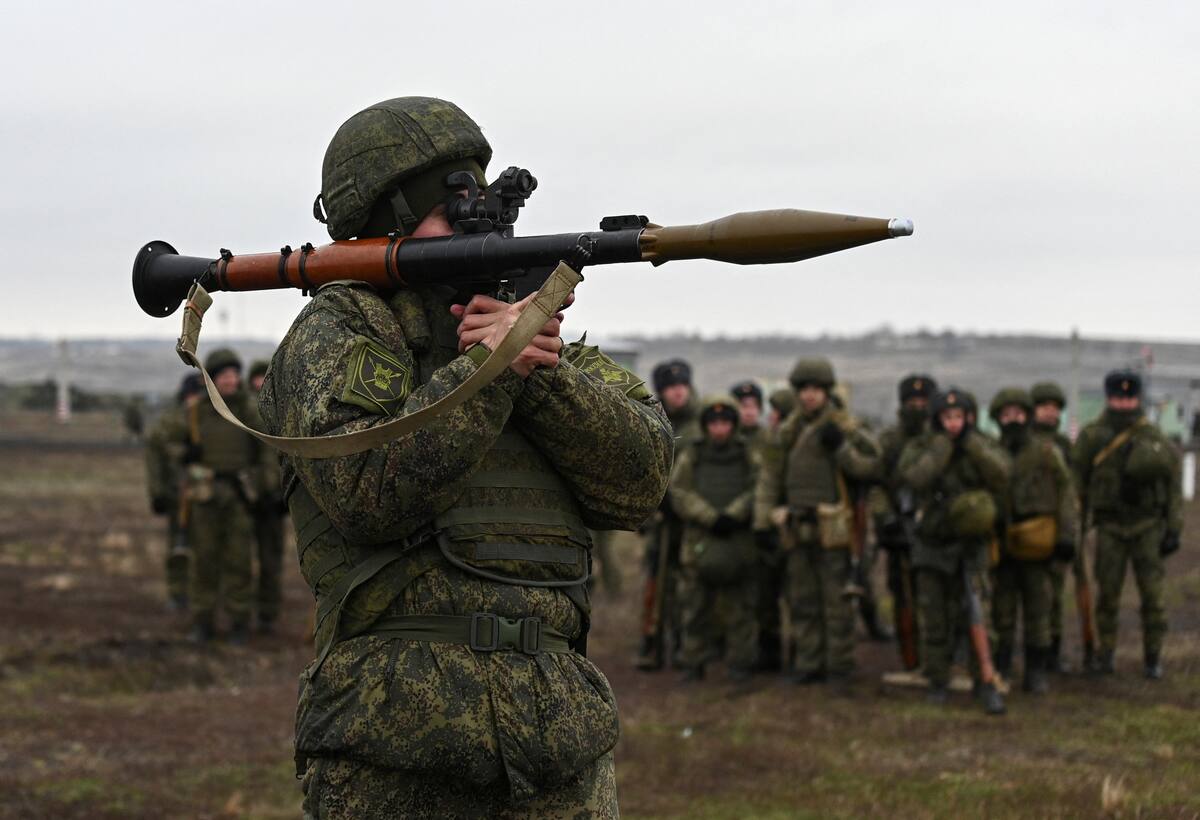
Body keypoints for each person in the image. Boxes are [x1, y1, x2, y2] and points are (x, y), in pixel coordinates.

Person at [257, 96, 673, 817]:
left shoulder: (533, 340)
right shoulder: (341, 329)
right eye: (450, 208)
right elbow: (367, 490)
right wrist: (488, 373)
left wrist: (541, 374)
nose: (479, 222)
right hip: (395, 746)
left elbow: (640, 484)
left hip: (559, 746)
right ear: (386, 218)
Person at [754, 358, 881, 689]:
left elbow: (872, 467)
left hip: (836, 530)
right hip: (796, 527)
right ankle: (809, 663)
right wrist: (763, 522)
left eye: (816, 390)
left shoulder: (845, 427)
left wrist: (840, 448)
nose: (809, 396)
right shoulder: (788, 432)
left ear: (826, 392)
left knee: (837, 603)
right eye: (804, 390)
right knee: (803, 601)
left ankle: (839, 667)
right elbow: (770, 478)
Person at [897, 387, 1009, 714]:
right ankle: (937, 679)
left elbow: (1002, 474)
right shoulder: (921, 446)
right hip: (932, 543)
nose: (953, 423)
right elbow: (915, 477)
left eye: (959, 417)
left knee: (977, 614)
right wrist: (942, 448)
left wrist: (972, 445)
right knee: (934, 615)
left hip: (971, 544)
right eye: (946, 418)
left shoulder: (982, 444)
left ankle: (984, 681)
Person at [1071, 370, 1182, 679]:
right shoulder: (1093, 436)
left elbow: (1172, 485)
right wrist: (1075, 529)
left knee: (1153, 598)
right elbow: (1077, 483)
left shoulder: (1152, 436)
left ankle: (1152, 657)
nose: (1123, 404)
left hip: (1147, 527)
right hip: (1109, 528)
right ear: (1108, 398)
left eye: (1129, 398)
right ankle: (1105, 654)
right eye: (1118, 398)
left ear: (1137, 398)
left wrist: (1174, 528)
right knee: (1107, 596)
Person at [167, 349, 276, 644]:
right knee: (204, 561)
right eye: (224, 375)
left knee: (239, 561)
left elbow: (267, 448)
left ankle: (239, 621)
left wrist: (267, 485)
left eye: (234, 374)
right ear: (212, 379)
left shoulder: (249, 409)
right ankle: (203, 622)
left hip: (239, 496)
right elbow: (169, 444)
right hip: (204, 496)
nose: (231, 380)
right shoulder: (196, 412)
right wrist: (186, 453)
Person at [988, 388, 1077, 695]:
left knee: (1039, 610)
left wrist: (1066, 537)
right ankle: (1001, 667)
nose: (1013, 420)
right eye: (1006, 414)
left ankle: (1036, 671)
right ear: (998, 419)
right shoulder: (989, 452)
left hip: (1038, 542)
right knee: (1002, 612)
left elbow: (1066, 494)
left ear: (1027, 416)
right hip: (1001, 543)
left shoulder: (1046, 453)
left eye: (1018, 413)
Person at [670, 396, 761, 683]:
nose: (719, 429)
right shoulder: (693, 455)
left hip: (737, 543)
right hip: (700, 543)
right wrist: (710, 517)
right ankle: (693, 663)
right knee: (695, 609)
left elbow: (759, 488)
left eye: (725, 423)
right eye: (714, 423)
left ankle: (740, 665)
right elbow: (679, 491)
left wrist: (733, 514)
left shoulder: (748, 454)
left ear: (733, 425)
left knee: (739, 611)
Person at [636, 358, 700, 670]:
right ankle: (652, 640)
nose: (678, 393)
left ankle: (685, 642)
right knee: (655, 580)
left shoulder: (701, 426)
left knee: (687, 581)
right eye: (671, 387)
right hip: (661, 517)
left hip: (690, 517)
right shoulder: (653, 422)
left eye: (682, 386)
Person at [870, 373, 937, 671]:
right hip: (900, 526)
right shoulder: (889, 440)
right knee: (903, 595)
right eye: (912, 401)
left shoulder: (942, 438)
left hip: (936, 528)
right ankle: (909, 654)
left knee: (937, 596)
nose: (918, 406)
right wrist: (886, 518)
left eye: (924, 401)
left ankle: (941, 654)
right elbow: (877, 484)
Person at [1029, 380, 1079, 671]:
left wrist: (1069, 532)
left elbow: (1071, 490)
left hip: (1057, 526)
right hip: (1030, 527)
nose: (1050, 413)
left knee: (1056, 594)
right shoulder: (1023, 442)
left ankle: (1052, 652)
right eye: (1044, 407)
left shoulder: (1064, 446)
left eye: (1054, 408)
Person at [144, 373, 204, 611]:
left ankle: (202, 593)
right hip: (176, 494)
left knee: (205, 547)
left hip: (204, 493)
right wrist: (157, 493)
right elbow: (156, 457)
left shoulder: (211, 418)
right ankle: (178, 592)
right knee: (178, 546)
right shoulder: (169, 421)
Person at [245, 359, 288, 633]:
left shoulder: (284, 410)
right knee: (238, 559)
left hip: (275, 500)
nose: (260, 383)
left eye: (265, 377)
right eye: (256, 378)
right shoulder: (241, 412)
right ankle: (239, 612)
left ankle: (267, 614)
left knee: (271, 560)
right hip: (247, 498)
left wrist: (282, 493)